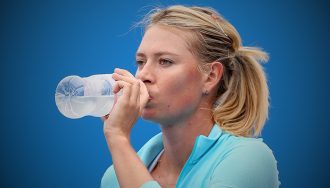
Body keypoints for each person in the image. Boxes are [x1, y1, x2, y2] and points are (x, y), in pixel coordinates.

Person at [100, 5, 280, 188]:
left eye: (165, 61)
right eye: (141, 62)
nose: (142, 75)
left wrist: (118, 137)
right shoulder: (116, 177)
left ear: (211, 76)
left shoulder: (248, 160)